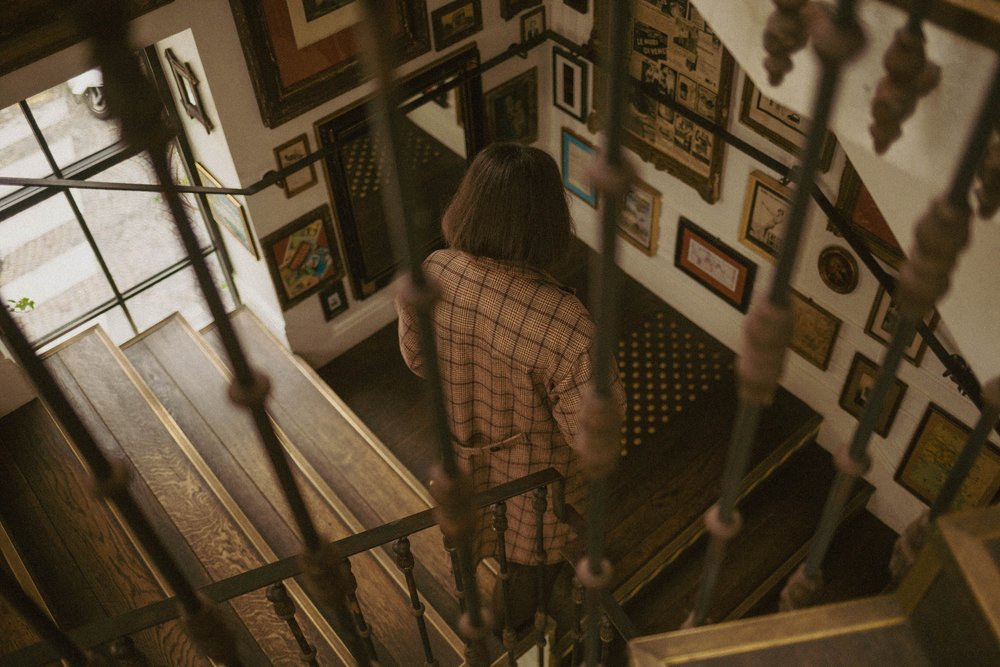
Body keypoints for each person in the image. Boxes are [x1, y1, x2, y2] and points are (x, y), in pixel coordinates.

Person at [395, 143, 626, 635]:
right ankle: (514, 629)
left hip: (464, 458)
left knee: (483, 540)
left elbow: (417, 360)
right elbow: (595, 442)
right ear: (548, 222)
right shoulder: (568, 329)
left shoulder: (433, 271)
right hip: (537, 479)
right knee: (531, 563)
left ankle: (506, 620)